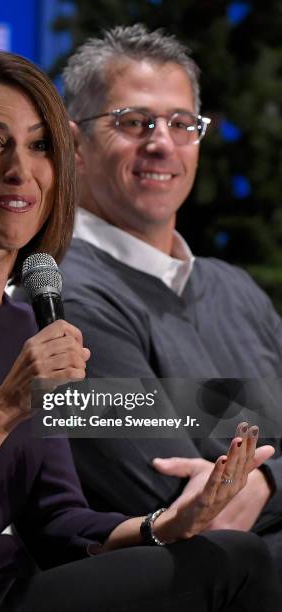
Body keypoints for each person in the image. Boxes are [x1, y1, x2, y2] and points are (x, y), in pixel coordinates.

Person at [0, 50, 279, 612]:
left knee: (230, 557)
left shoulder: (32, 317)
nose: (20, 169)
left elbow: (57, 521)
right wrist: (4, 409)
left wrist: (168, 522)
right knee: (245, 562)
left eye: (39, 146)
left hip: (12, 590)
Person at [60, 24, 282, 574]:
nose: (161, 141)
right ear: (74, 145)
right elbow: (177, 507)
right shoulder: (61, 297)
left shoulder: (238, 290)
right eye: (133, 122)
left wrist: (267, 478)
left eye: (183, 124)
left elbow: (232, 477)